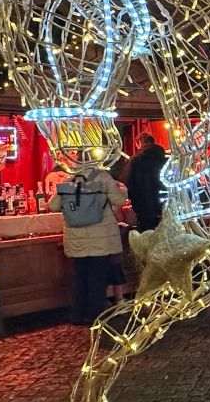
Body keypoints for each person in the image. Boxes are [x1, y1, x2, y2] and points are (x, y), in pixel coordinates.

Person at [50, 165, 129, 324]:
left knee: (80, 277)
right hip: (100, 238)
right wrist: (123, 189)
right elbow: (119, 200)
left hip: (76, 239)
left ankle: (78, 314)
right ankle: (95, 316)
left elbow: (52, 206)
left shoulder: (70, 179)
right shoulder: (103, 177)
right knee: (97, 279)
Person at [125, 133, 167, 231]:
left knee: (146, 230)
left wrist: (131, 197)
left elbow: (129, 181)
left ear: (140, 142)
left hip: (142, 201)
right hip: (162, 200)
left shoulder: (136, 160)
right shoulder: (164, 159)